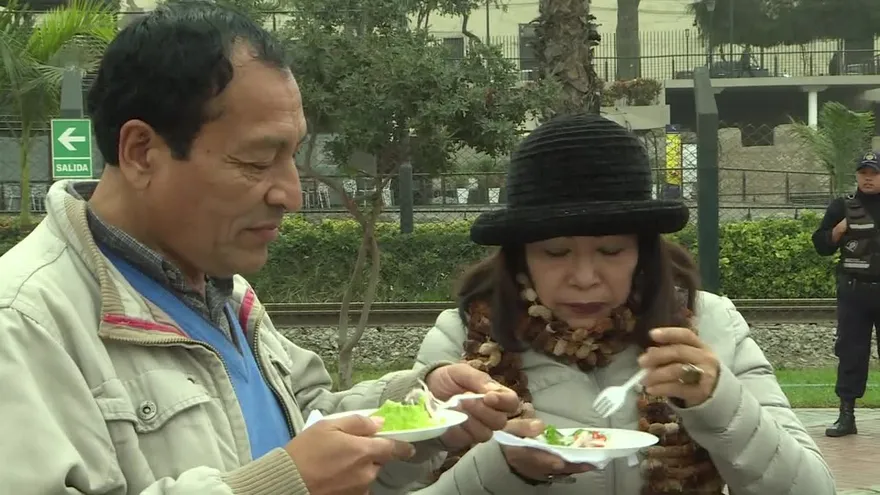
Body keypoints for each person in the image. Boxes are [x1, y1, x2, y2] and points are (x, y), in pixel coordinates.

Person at [0, 3, 520, 494]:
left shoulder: (222, 291)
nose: (290, 194)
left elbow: (305, 422)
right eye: (255, 160)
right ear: (141, 152)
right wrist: (283, 485)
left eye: (291, 155)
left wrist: (422, 410)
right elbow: (293, 471)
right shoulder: (25, 322)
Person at [413, 114, 835, 494]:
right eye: (556, 253)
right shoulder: (461, 344)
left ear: (642, 252)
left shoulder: (709, 325)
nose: (583, 277)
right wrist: (502, 468)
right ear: (520, 255)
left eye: (611, 251)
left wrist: (720, 402)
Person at [812, 150, 880, 438]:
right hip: (854, 292)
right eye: (863, 172)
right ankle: (846, 416)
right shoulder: (843, 205)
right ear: (857, 175)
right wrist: (838, 231)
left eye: (874, 173)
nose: (868, 178)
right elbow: (821, 244)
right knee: (851, 353)